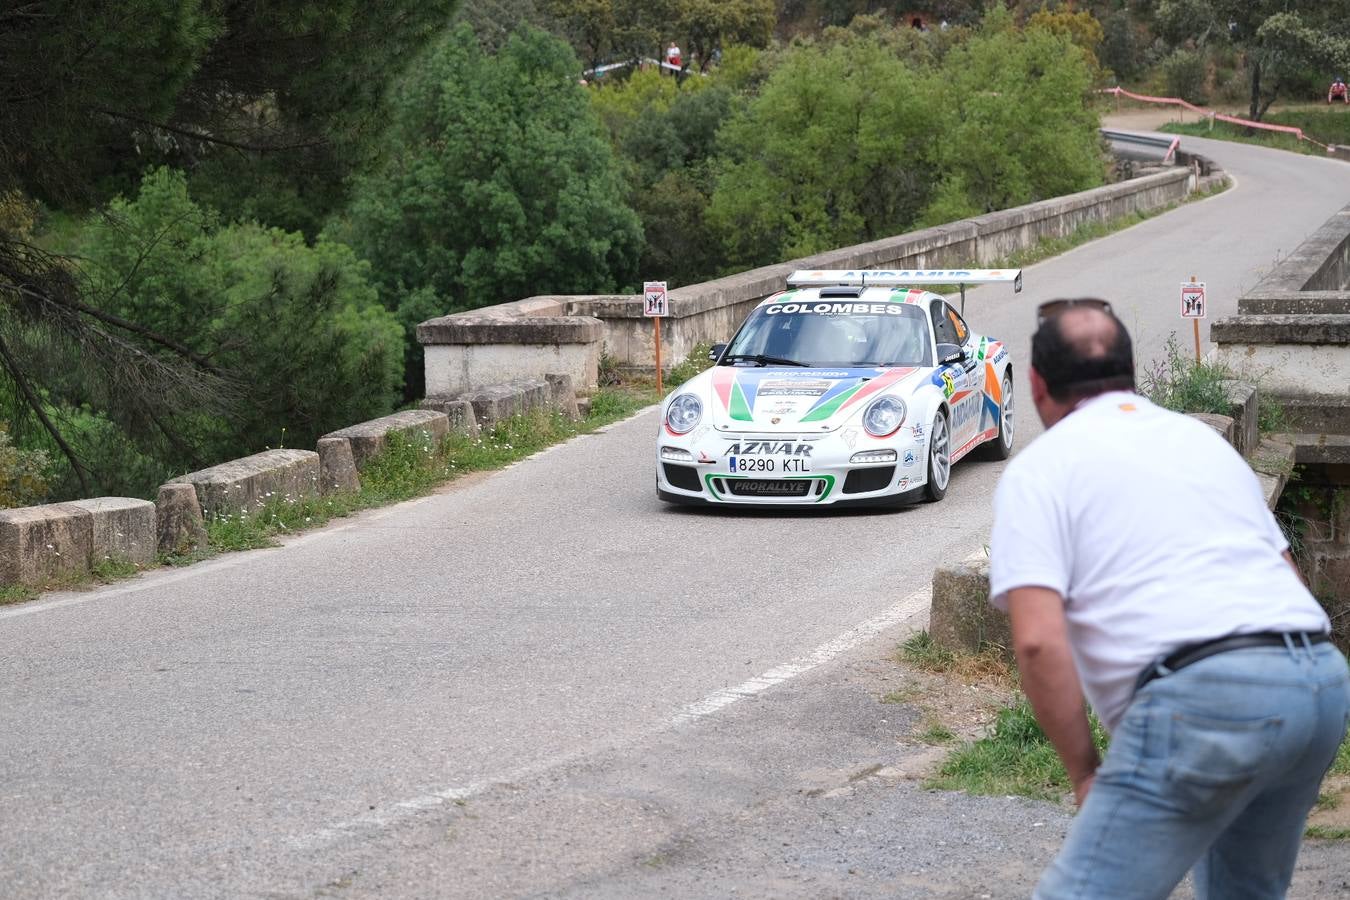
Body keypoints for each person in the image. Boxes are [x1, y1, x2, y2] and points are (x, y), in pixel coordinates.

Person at [989, 299, 1349, 900]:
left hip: (1202, 696)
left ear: (1036, 384)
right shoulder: (1201, 444)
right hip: (1316, 680)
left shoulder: (1040, 470)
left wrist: (1084, 774)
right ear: (1128, 373)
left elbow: (1037, 639)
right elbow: (1287, 575)